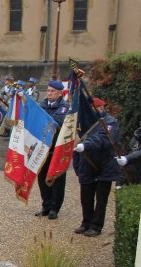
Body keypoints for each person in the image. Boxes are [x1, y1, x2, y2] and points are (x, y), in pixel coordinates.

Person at [72, 98, 121, 237]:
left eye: (97, 108)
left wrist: (86, 144)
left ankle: (96, 225)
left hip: (105, 164)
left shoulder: (110, 122)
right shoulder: (85, 122)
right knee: (85, 195)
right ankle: (86, 222)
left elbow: (103, 138)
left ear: (102, 108)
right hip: (87, 163)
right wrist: (77, 166)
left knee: (101, 198)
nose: (94, 111)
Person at [35, 80, 69, 219]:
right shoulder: (42, 105)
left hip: (57, 149)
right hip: (42, 148)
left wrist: (39, 119)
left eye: (52, 91)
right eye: (48, 90)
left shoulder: (64, 107)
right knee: (42, 178)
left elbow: (56, 122)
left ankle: (55, 207)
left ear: (60, 93)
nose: (49, 93)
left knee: (56, 179)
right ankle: (46, 205)